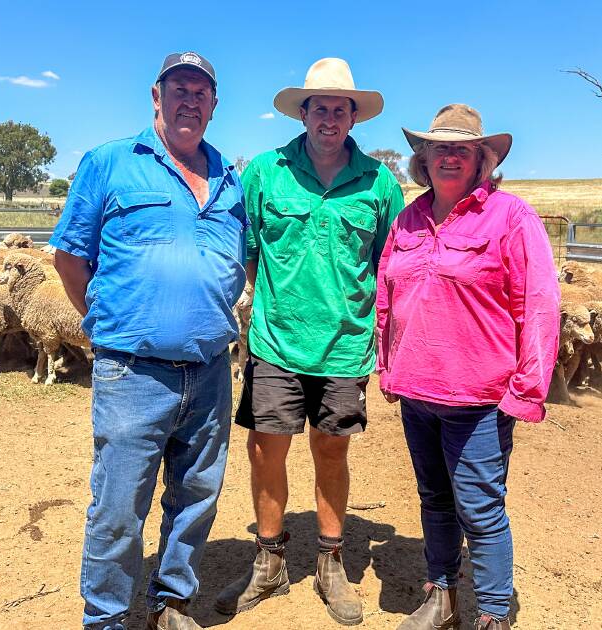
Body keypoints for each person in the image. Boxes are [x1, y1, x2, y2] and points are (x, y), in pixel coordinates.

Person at [50, 51, 247, 630]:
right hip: (133, 371)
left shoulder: (230, 178)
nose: (190, 99)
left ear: (214, 105)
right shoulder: (110, 162)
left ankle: (171, 603)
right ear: (156, 97)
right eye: (178, 88)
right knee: (118, 507)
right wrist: (109, 322)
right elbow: (69, 256)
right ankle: (107, 617)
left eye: (201, 92)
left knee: (196, 496)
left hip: (210, 367)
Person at [215, 58, 405, 626]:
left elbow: (390, 260)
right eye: (318, 107)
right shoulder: (266, 173)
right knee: (265, 446)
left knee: (331, 447)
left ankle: (329, 561)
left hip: (345, 347)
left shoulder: (379, 183)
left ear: (353, 117)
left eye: (339, 109)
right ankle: (269, 561)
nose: (329, 117)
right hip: (276, 342)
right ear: (302, 113)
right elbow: (246, 253)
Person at [375, 104, 560, 630]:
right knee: (434, 498)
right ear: (423, 158)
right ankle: (443, 596)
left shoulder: (511, 217)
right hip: (417, 389)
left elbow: (540, 304)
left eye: (462, 149)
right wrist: (388, 364)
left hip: (479, 394)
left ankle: (494, 613)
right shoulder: (408, 219)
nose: (449, 157)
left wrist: (528, 388)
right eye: (440, 148)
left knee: (478, 507)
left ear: (482, 159)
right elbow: (389, 293)